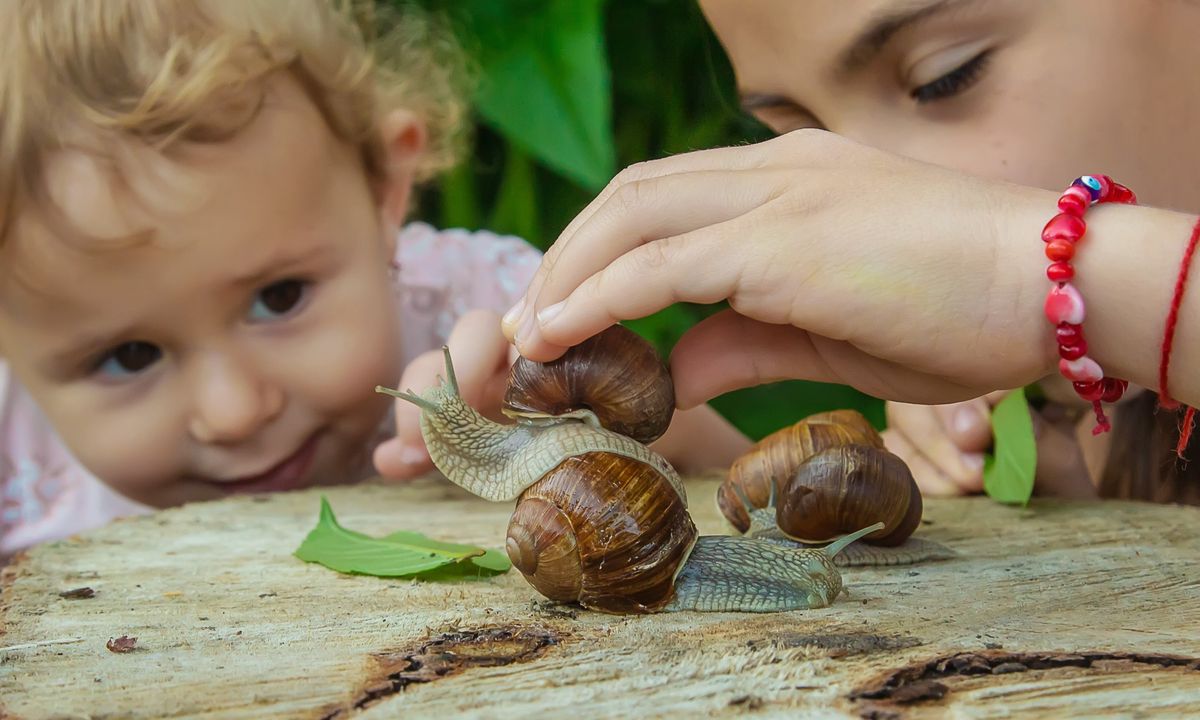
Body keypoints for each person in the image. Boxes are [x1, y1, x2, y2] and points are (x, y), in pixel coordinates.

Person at [0, 0, 748, 558]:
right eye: (128, 356)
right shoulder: (13, 447)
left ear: (384, 189)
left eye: (280, 297)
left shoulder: (488, 311)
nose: (232, 414)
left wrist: (561, 426)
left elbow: (733, 477)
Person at [501, 0, 1200, 505]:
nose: (865, 191)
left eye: (944, 76)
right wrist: (692, 464)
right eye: (794, 130)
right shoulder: (1084, 414)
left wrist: (1036, 275)